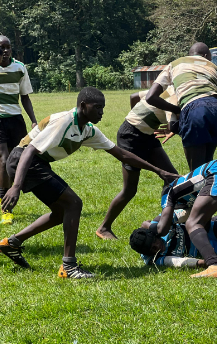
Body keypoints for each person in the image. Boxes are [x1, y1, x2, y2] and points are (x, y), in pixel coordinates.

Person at [0, 87, 178, 277]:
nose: (101, 113)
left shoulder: (88, 130)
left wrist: (159, 171)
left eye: (103, 108)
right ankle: (69, 267)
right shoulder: (65, 121)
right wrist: (15, 186)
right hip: (23, 161)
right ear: (83, 106)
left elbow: (122, 154)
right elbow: (29, 150)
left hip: (36, 164)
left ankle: (11, 243)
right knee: (73, 204)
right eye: (97, 108)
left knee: (62, 212)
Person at [95, 88, 179, 240]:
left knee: (172, 180)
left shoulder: (168, 88)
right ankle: (104, 228)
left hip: (146, 135)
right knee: (130, 189)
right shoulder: (176, 97)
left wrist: (140, 119)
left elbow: (134, 96)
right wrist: (136, 121)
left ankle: (168, 222)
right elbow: (173, 125)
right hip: (130, 136)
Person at [146, 42, 217, 171]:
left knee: (196, 173)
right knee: (207, 165)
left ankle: (197, 190)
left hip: (193, 107)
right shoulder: (215, 68)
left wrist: (177, 111)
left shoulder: (175, 64)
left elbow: (150, 97)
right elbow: (215, 93)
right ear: (205, 55)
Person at [0, 35, 38, 225]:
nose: (5, 51)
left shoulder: (20, 67)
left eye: (8, 47)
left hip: (15, 119)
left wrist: (33, 120)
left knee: (18, 158)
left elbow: (25, 97)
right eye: (1, 48)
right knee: (4, 158)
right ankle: (5, 208)